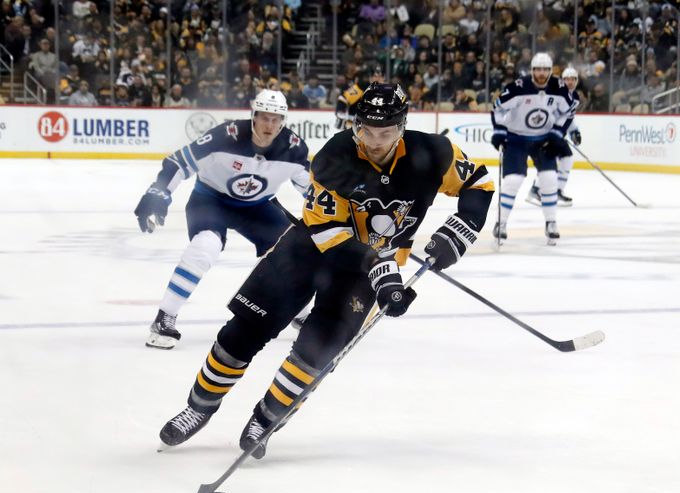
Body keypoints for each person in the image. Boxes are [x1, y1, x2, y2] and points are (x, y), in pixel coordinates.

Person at [157, 83, 494, 457]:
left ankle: (264, 420)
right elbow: (326, 230)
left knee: (314, 355)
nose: (375, 141)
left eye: (385, 132)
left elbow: (478, 180)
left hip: (366, 270)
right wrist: (379, 266)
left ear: (402, 127)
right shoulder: (335, 155)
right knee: (243, 330)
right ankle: (198, 407)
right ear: (356, 126)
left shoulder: (434, 151)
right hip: (309, 250)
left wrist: (462, 229)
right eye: (367, 130)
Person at [134, 90, 311, 349]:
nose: (269, 125)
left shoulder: (294, 149)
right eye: (264, 118)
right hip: (211, 200)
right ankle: (164, 317)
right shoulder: (225, 136)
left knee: (288, 251)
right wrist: (158, 192)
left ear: (283, 120)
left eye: (276, 119)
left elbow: (314, 190)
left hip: (257, 206)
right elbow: (179, 162)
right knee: (205, 247)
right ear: (253, 116)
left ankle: (302, 316)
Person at [490, 53, 576, 245]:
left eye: (546, 69)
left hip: (543, 140)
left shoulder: (560, 88)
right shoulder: (518, 88)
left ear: (551, 70)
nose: (541, 73)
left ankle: (551, 222)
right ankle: (501, 223)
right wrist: (499, 133)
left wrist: (556, 134)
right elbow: (497, 108)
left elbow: (568, 113)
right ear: (532, 70)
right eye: (538, 69)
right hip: (516, 138)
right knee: (513, 180)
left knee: (549, 179)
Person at [526, 66, 582, 207]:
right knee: (550, 160)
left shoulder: (575, 98)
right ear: (562, 81)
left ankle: (556, 190)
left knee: (566, 158)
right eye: (567, 79)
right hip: (545, 133)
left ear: (577, 81)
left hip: (556, 135)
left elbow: (568, 118)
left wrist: (574, 130)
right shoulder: (553, 93)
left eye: (573, 79)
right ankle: (536, 190)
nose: (570, 82)